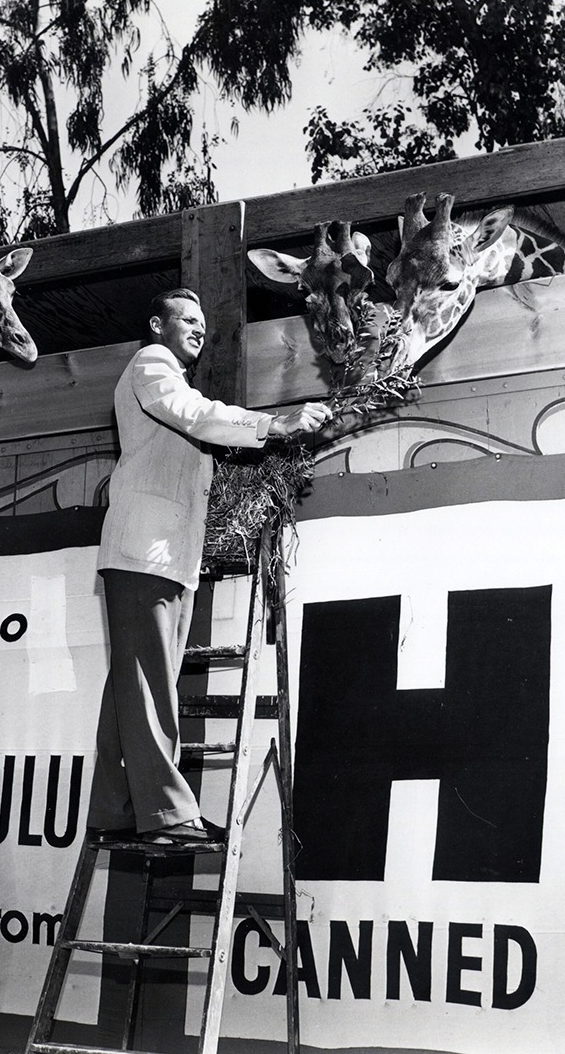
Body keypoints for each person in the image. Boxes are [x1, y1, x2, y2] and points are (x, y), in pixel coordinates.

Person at [89, 288, 331, 844]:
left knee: (134, 680)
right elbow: (197, 416)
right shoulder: (153, 365)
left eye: (203, 322)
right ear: (157, 325)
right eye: (186, 319)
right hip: (144, 553)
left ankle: (117, 805)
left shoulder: (172, 379)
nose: (199, 329)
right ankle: (168, 814)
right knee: (148, 679)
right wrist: (275, 424)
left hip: (166, 557)